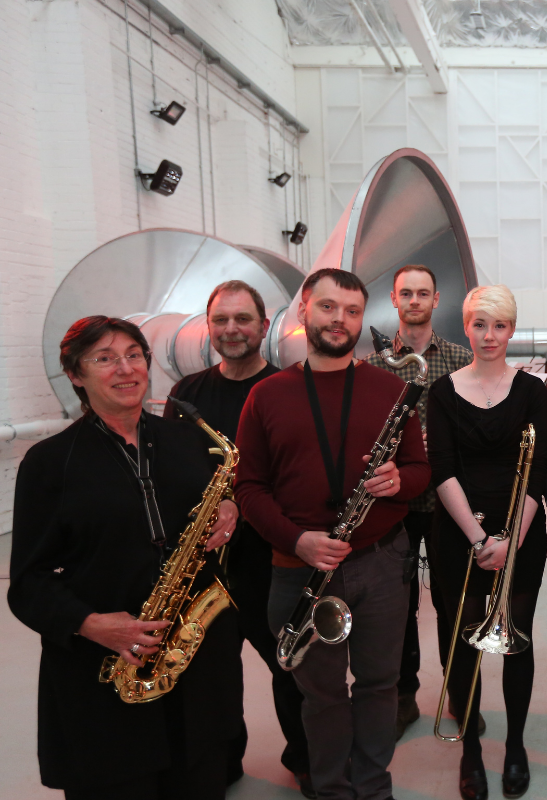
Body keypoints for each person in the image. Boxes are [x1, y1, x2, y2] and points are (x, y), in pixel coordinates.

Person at [8, 316, 240, 799]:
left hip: (194, 663)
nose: (125, 368)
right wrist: (90, 623)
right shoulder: (49, 463)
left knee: (199, 781)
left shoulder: (188, 440)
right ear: (75, 374)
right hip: (104, 673)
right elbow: (27, 584)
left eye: (134, 354)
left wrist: (229, 506)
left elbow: (212, 507)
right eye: (105, 358)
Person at [235, 268, 430, 800]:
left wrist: (398, 481)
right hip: (300, 565)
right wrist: (297, 541)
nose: (338, 320)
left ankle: (372, 785)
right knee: (319, 694)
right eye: (327, 307)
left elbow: (419, 469)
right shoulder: (267, 396)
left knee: (378, 685)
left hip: (381, 562)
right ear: (304, 311)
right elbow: (248, 487)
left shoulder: (392, 390)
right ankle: (330, 788)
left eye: (350, 311)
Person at [162, 280, 314, 797]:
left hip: (270, 559)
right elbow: (172, 472)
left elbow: (300, 478)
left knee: (288, 667)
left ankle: (306, 761)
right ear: (209, 327)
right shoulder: (186, 395)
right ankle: (221, 763)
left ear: (264, 326)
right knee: (211, 675)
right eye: (221, 320)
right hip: (207, 562)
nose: (231, 329)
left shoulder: (290, 388)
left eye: (242, 319)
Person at [424, 285, 547, 800]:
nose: (490, 335)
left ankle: (516, 745)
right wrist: (481, 541)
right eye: (480, 324)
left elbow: (538, 474)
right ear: (467, 327)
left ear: (511, 330)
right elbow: (442, 470)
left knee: (515, 640)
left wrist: (510, 543)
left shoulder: (533, 392)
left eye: (499, 326)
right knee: (462, 645)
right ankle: (471, 751)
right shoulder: (442, 391)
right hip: (460, 535)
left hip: (519, 531)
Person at [363, 263, 473, 741]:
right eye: (405, 293)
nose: (414, 301)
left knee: (454, 603)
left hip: (447, 503)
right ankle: (403, 695)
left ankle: (461, 692)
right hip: (396, 506)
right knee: (397, 606)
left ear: (435, 300)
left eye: (422, 293)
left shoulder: (461, 359)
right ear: (393, 299)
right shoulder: (373, 366)